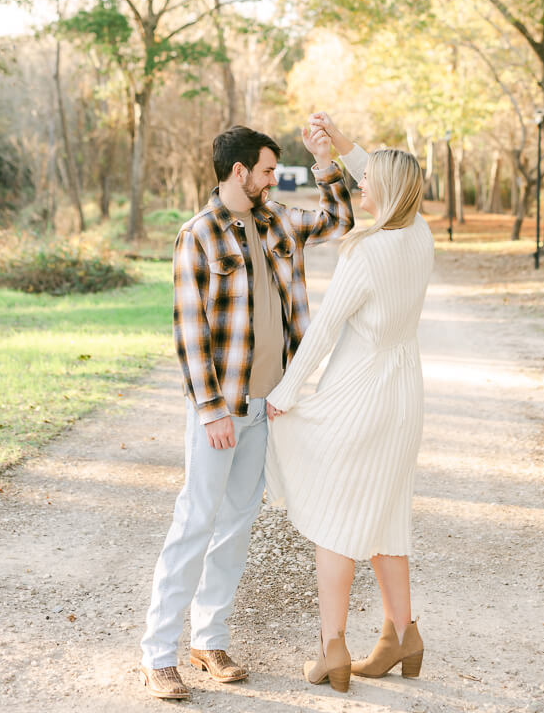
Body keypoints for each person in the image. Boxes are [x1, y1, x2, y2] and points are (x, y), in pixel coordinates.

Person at [139, 122, 354, 700]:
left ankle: (208, 640)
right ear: (239, 173)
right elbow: (190, 332)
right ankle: (158, 654)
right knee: (194, 523)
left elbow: (339, 220)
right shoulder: (199, 236)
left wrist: (326, 160)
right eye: (265, 170)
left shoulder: (279, 219)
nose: (271, 179)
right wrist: (210, 411)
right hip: (222, 409)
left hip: (268, 407)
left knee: (236, 526)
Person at [265, 112, 434, 694]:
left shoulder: (368, 253)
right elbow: (382, 176)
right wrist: (338, 145)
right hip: (405, 396)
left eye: (368, 183)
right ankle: (401, 635)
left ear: (386, 193)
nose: (360, 186)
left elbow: (323, 332)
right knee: (388, 519)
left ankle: (333, 648)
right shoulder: (419, 234)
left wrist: (284, 395)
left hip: (360, 397)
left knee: (337, 523)